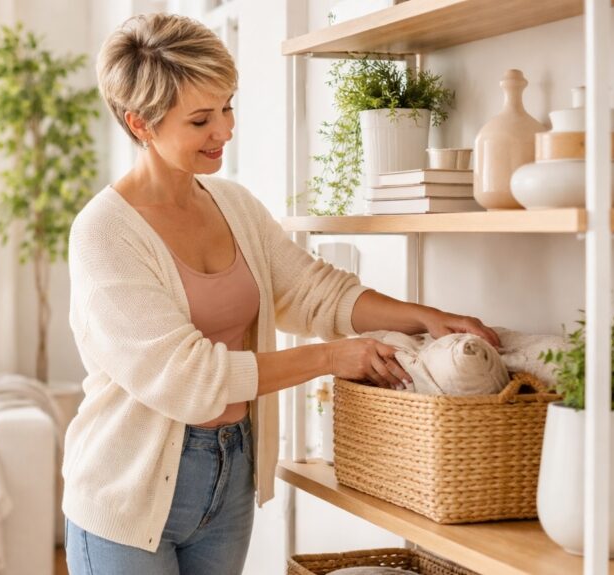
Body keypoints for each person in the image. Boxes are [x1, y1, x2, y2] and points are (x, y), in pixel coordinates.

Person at [62, 12, 499, 575]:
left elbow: (313, 291)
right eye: (200, 120)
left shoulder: (233, 205)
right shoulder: (104, 233)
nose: (224, 131)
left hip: (230, 478)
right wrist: (330, 357)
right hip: (127, 493)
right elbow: (188, 378)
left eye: (227, 107)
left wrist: (427, 317)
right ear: (140, 123)